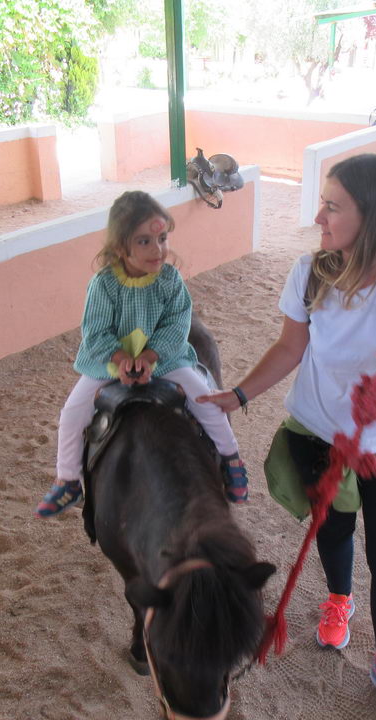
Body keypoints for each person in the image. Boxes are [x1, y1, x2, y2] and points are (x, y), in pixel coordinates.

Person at [198, 154, 376, 718]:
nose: (319, 217)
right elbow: (292, 347)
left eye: (333, 206)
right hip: (316, 430)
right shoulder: (310, 271)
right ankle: (339, 600)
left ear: (374, 213)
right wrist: (238, 395)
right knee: (332, 529)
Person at [36, 191, 248, 517]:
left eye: (162, 238)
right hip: (108, 363)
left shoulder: (170, 279)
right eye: (145, 241)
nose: (159, 249)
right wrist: (120, 360)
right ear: (121, 248)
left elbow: (177, 324)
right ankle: (68, 479)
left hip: (165, 360)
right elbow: (96, 331)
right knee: (72, 412)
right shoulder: (104, 284)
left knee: (204, 397)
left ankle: (230, 457)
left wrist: (150, 356)